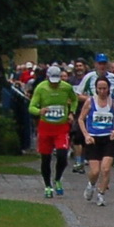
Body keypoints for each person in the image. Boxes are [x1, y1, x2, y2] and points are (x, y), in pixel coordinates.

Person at [29, 64, 81, 198]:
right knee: (45, 159)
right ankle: (47, 185)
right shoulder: (41, 88)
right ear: (47, 77)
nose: (54, 84)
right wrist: (40, 111)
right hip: (45, 127)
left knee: (62, 156)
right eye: (52, 81)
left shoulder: (66, 87)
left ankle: (58, 179)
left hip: (61, 127)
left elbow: (74, 100)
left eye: (57, 81)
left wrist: (71, 113)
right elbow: (31, 107)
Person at [77, 73, 114, 204]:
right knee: (95, 171)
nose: (102, 91)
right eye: (100, 88)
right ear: (96, 89)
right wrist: (86, 135)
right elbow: (80, 119)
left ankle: (101, 194)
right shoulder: (90, 102)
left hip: (108, 139)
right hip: (93, 139)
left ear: (109, 89)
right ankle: (91, 185)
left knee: (106, 169)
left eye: (104, 88)